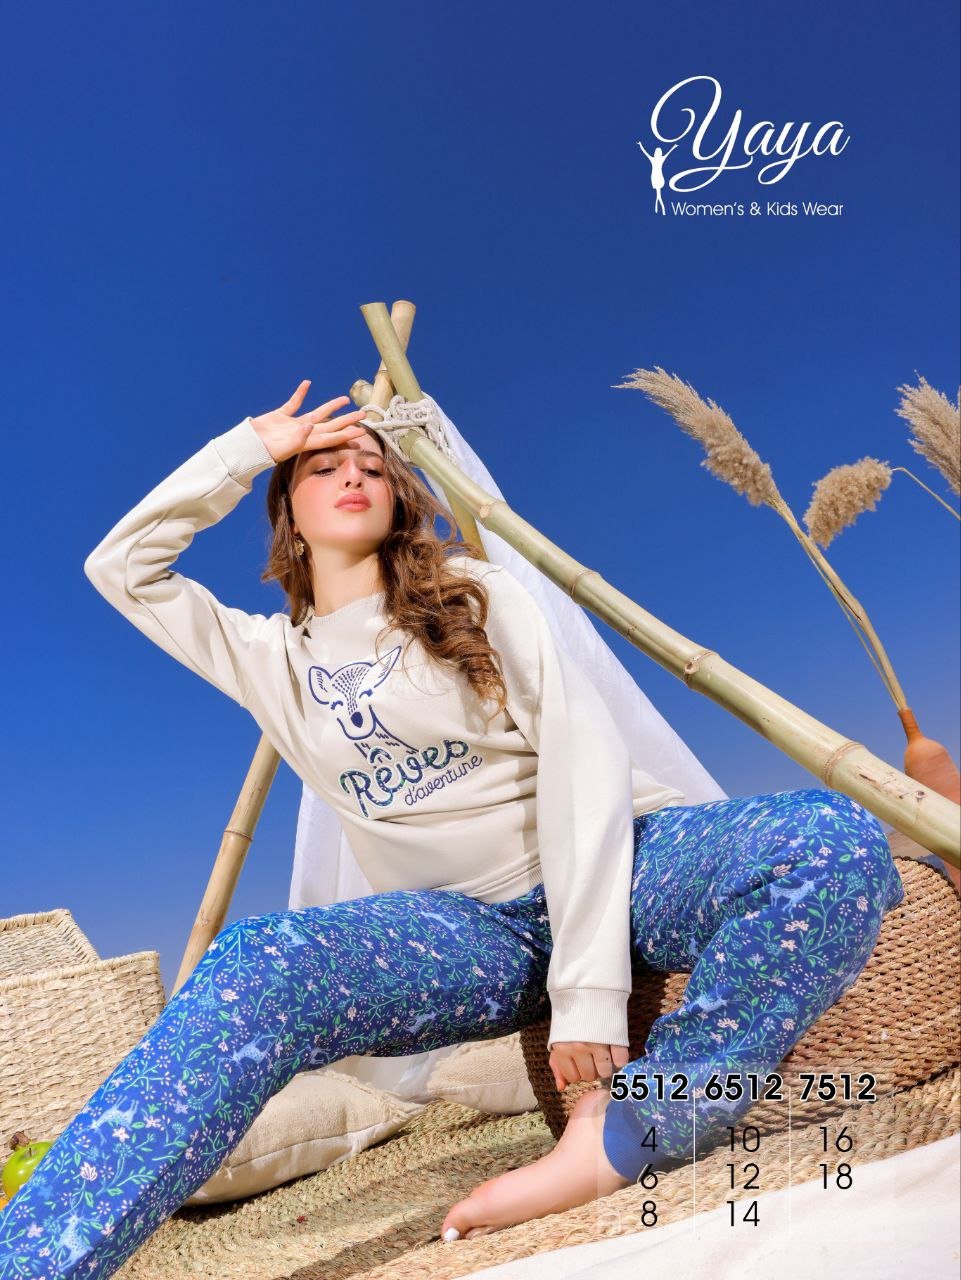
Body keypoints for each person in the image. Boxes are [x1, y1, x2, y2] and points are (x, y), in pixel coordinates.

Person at [0, 383, 906, 1276]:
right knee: (258, 960)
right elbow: (122, 567)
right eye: (323, 467)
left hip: (631, 864)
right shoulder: (264, 657)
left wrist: (587, 992)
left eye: (371, 465)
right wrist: (248, 449)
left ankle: (632, 1132)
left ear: (398, 499)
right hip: (464, 931)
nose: (353, 474)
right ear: (288, 515)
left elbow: (582, 758)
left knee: (826, 836)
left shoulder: (473, 593)